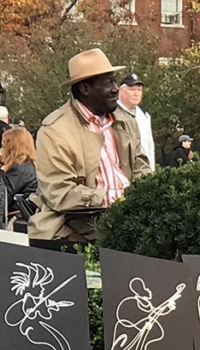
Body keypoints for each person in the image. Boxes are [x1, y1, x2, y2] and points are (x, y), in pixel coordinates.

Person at [29, 48, 151, 241]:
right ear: (85, 89)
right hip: (75, 223)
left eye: (114, 80)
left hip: (130, 217)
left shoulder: (126, 121)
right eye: (107, 82)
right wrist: (116, 198)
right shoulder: (55, 130)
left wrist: (144, 196)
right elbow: (60, 193)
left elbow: (142, 170)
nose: (115, 88)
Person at [117, 73, 155, 170]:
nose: (136, 93)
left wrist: (152, 172)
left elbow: (149, 146)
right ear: (120, 91)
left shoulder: (144, 115)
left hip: (142, 172)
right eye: (132, 89)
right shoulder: (111, 113)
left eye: (139, 90)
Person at [0, 126, 38, 213]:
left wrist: (0, 171)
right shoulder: (29, 166)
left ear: (11, 149)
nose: (0, 150)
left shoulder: (19, 171)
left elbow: (0, 198)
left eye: (3, 146)